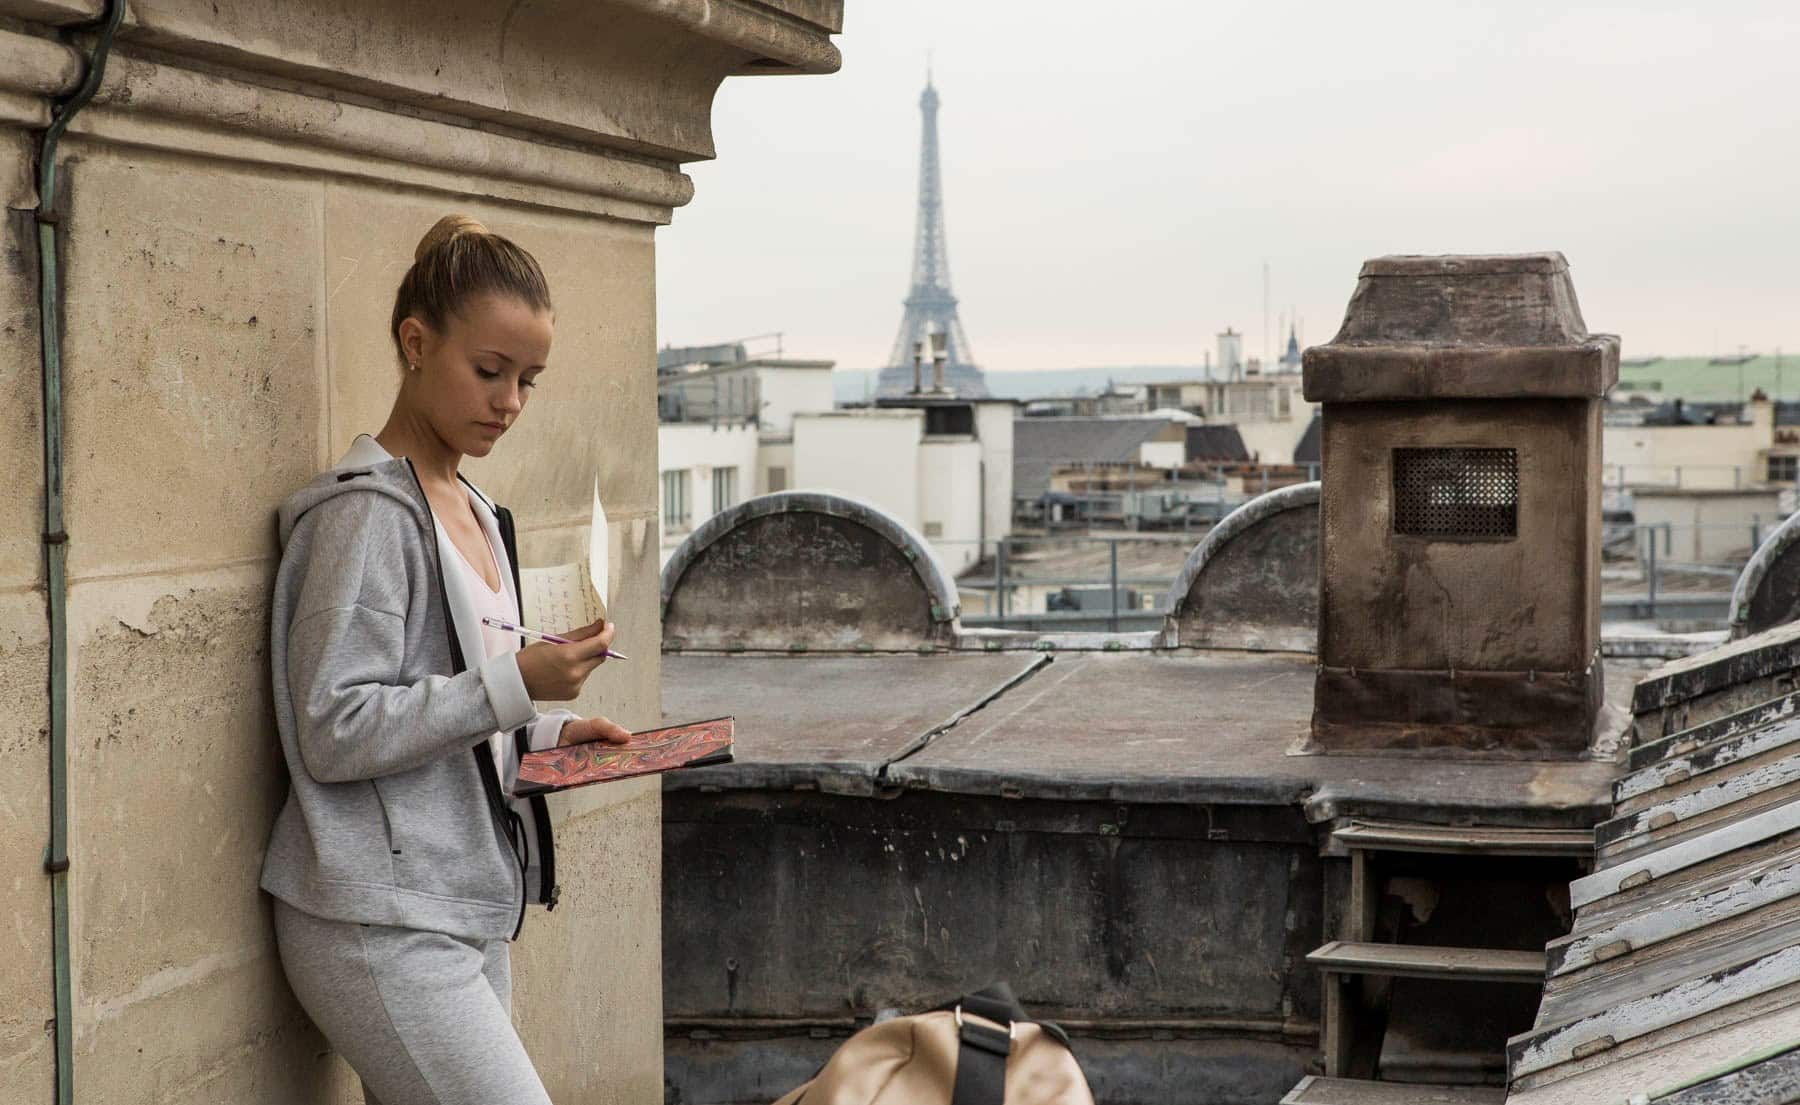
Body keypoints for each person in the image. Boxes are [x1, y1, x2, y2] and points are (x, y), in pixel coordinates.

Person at [260, 214, 630, 1105]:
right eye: (489, 371)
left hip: (461, 903)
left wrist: (549, 729)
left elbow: (459, 712)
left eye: (528, 381)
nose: (508, 402)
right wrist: (514, 684)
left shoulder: (477, 508)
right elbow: (333, 726)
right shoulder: (365, 518)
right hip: (375, 917)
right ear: (415, 344)